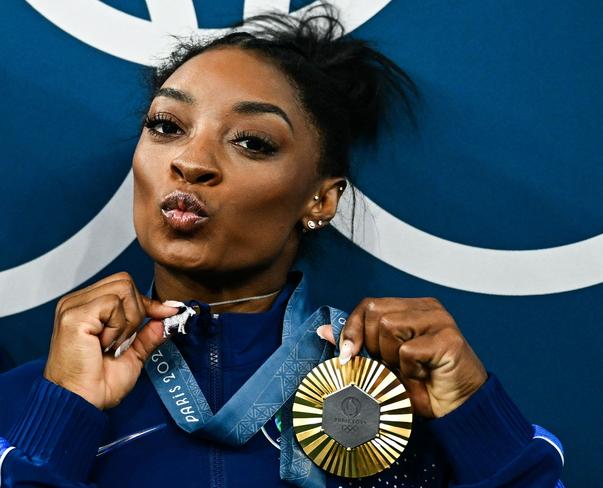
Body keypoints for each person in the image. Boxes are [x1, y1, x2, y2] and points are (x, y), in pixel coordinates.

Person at [0, 6, 564, 487]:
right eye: (168, 126)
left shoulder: (401, 402)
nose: (190, 162)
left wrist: (475, 416)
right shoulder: (31, 400)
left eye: (252, 141)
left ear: (320, 200)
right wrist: (62, 416)